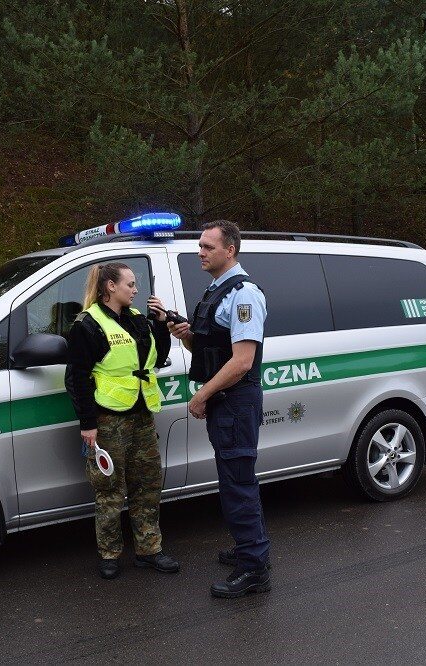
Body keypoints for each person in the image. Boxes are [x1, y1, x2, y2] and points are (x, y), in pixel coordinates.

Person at [167, 219, 271, 598]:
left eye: (208, 247)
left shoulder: (244, 295)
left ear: (230, 250)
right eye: (200, 246)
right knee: (235, 479)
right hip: (227, 401)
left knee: (238, 483)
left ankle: (255, 569)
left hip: (235, 401)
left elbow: (242, 361)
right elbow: (216, 352)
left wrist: (201, 395)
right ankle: (251, 549)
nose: (201, 252)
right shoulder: (217, 290)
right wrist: (189, 336)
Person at [65, 262, 180, 580]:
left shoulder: (138, 320)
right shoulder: (87, 324)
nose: (136, 289)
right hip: (108, 420)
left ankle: (149, 551)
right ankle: (109, 554)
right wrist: (87, 423)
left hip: (142, 417)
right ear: (110, 287)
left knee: (148, 486)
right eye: (130, 283)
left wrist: (160, 324)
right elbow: (76, 378)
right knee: (110, 490)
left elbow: (156, 358)